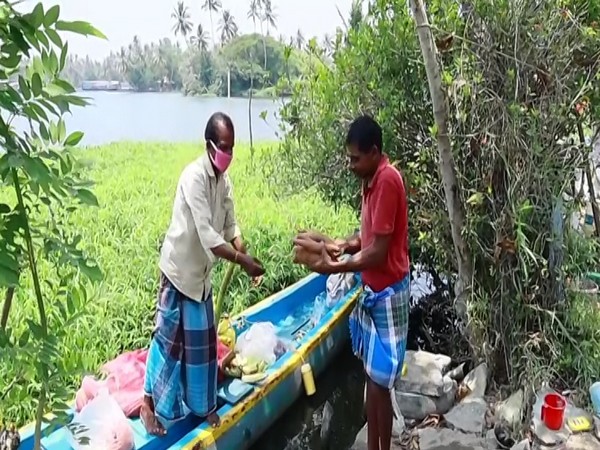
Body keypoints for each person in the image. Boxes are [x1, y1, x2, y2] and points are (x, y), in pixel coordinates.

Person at [141, 112, 265, 436]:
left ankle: (203, 406)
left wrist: (242, 247)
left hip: (201, 278)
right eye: (223, 146)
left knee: (201, 347)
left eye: (232, 147)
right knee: (167, 342)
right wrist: (243, 261)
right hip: (179, 271)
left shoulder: (224, 182)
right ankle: (147, 404)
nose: (228, 154)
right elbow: (209, 236)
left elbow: (230, 225)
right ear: (209, 145)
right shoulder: (193, 177)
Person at [298, 115, 409, 450]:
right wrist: (343, 245)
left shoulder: (388, 181)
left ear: (374, 152)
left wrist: (333, 267)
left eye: (355, 158)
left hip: (388, 294)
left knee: (380, 385)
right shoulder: (371, 180)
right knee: (373, 384)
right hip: (374, 290)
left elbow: (378, 252)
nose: (350, 165)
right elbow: (368, 238)